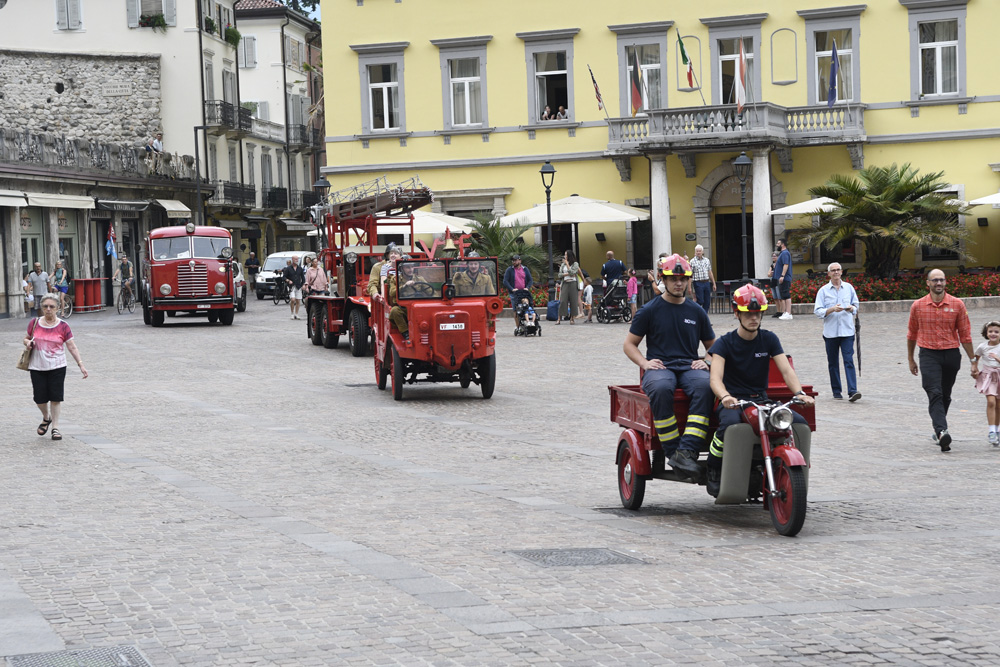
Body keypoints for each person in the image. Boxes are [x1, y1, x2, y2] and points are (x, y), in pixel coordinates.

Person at [707, 284, 815, 496]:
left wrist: (799, 393)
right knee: (728, 426)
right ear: (737, 313)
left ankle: (795, 471)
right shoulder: (724, 343)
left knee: (799, 423)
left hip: (761, 400)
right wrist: (725, 396)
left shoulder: (769, 339)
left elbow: (786, 370)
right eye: (748, 313)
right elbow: (715, 379)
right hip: (733, 401)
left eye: (758, 313)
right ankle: (714, 467)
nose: (754, 318)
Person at [623, 254, 716, 479]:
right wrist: (645, 363)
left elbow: (713, 347)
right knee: (662, 388)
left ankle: (688, 451)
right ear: (663, 279)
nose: (678, 283)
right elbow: (629, 344)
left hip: (688, 367)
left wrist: (706, 361)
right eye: (673, 279)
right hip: (660, 368)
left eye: (683, 279)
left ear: (688, 281)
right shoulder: (649, 310)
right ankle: (674, 452)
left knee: (706, 387)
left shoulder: (696, 311)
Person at [906, 268, 976, 452]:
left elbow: (965, 335)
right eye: (935, 280)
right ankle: (941, 431)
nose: (939, 283)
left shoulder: (957, 304)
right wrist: (911, 359)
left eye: (942, 280)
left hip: (951, 354)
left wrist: (973, 360)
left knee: (945, 394)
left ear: (945, 282)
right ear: (927, 283)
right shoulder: (918, 306)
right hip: (928, 354)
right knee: (934, 392)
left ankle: (938, 427)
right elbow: (912, 333)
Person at [22, 294, 88, 442]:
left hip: (57, 366)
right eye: (45, 306)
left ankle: (55, 428)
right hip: (37, 366)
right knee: (39, 398)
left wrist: (81, 365)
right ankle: (46, 417)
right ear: (42, 308)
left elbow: (71, 346)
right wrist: (27, 343)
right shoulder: (34, 323)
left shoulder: (63, 326)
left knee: (55, 398)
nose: (48, 309)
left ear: (58, 308)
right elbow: (26, 337)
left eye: (52, 306)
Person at [813, 262, 861, 402]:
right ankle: (836, 391)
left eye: (838, 270)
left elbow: (856, 306)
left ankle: (852, 391)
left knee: (848, 360)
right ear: (828, 274)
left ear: (841, 272)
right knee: (833, 362)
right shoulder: (823, 291)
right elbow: (818, 311)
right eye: (833, 270)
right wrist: (831, 309)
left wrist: (851, 308)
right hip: (831, 332)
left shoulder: (849, 288)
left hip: (847, 331)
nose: (836, 272)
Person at [973, 320, 1000, 446]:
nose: (993, 334)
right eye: (990, 331)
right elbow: (975, 358)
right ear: (986, 332)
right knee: (991, 402)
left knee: (999, 406)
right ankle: (991, 431)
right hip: (988, 377)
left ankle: (997, 430)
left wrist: (997, 358)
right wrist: (974, 368)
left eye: (996, 332)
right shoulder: (982, 346)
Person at [388, 259, 429, 340]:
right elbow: (392, 293)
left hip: (418, 308)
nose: (411, 269)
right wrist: (404, 286)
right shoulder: (395, 280)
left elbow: (430, 291)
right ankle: (406, 333)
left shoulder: (419, 279)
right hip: (404, 309)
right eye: (407, 267)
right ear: (402, 269)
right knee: (394, 311)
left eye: (412, 267)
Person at [503, 254, 534, 327]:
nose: (514, 262)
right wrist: (512, 289)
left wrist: (527, 287)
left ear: (520, 261)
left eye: (516, 260)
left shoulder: (525, 269)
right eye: (513, 260)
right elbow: (505, 281)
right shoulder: (509, 270)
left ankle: (529, 322)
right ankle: (518, 326)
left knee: (526, 307)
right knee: (516, 310)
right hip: (514, 293)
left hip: (524, 292)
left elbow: (530, 280)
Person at [688, 245, 717, 313]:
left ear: (702, 252)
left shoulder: (707, 260)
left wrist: (714, 283)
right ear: (695, 252)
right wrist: (689, 287)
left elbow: (710, 272)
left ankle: (704, 318)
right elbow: (690, 275)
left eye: (700, 251)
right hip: (698, 283)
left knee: (707, 302)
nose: (698, 252)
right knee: (700, 300)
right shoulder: (692, 261)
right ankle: (694, 312)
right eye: (697, 251)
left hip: (706, 282)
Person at [557, 250, 581, 324]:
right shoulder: (562, 265)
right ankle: (559, 318)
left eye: (566, 255)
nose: (565, 256)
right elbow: (559, 275)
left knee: (573, 301)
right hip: (565, 283)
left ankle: (572, 318)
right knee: (563, 301)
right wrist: (566, 274)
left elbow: (572, 273)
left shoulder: (575, 264)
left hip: (573, 283)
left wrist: (567, 264)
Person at [773, 238, 793, 320]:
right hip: (781, 278)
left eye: (778, 243)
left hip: (784, 278)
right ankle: (785, 312)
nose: (777, 245)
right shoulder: (782, 253)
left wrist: (782, 275)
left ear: (783, 244)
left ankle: (788, 313)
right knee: (783, 295)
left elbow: (786, 264)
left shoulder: (785, 253)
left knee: (786, 295)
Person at [283, 255, 306, 320]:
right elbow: (284, 277)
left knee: (298, 300)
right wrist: (288, 280)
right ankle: (292, 313)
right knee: (293, 299)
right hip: (291, 287)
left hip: (298, 286)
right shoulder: (288, 268)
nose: (297, 260)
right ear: (292, 259)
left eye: (297, 259)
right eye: (295, 259)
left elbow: (303, 278)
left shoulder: (300, 268)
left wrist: (303, 284)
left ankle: (296, 314)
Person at [767, 251, 781, 318]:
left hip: (778, 281)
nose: (773, 257)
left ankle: (781, 311)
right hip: (773, 282)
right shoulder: (772, 265)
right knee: (775, 298)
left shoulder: (780, 264)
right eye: (772, 256)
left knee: (779, 297)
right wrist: (771, 273)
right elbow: (768, 274)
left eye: (775, 256)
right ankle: (778, 311)